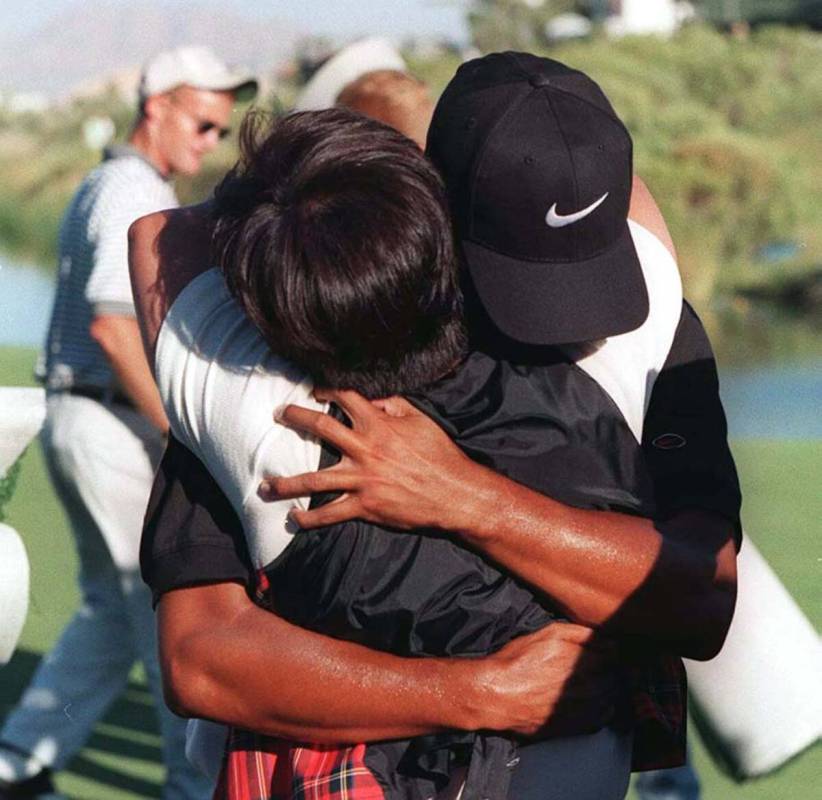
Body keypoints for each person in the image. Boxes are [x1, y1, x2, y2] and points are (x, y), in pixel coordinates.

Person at [132, 54, 740, 799]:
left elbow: (162, 232)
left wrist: (462, 495)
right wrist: (476, 691)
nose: (567, 322)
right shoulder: (628, 355)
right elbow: (201, 656)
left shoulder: (254, 397)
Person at [0, 46, 256, 800]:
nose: (211, 140)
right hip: (107, 423)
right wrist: (186, 429)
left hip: (85, 418)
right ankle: (188, 786)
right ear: (158, 107)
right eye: (203, 122)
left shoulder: (111, 179)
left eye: (219, 127)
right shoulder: (130, 188)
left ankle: (19, 759)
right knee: (161, 609)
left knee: (110, 609)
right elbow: (115, 330)